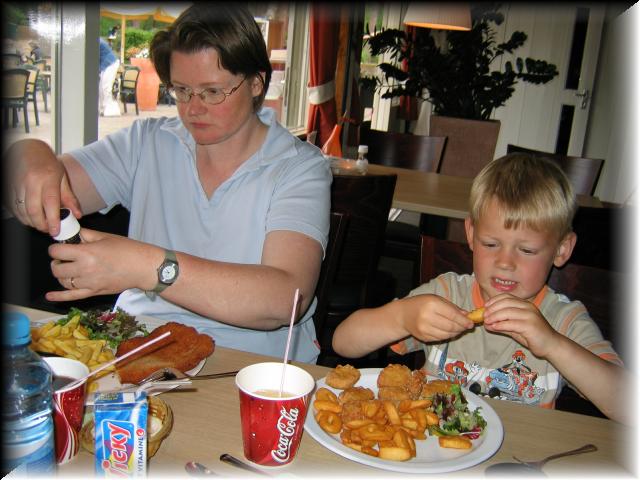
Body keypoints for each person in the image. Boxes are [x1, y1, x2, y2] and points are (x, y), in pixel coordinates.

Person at [4, 4, 331, 363]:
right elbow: (49, 191)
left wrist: (147, 267)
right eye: (182, 90)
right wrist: (29, 154)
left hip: (254, 364)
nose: (193, 109)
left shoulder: (299, 167)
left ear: (256, 82)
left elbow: (286, 300)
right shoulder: (146, 142)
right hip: (139, 347)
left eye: (212, 92)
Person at [333, 153, 630, 424]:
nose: (505, 262)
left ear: (562, 250)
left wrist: (553, 344)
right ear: (471, 233)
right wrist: (401, 317)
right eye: (491, 244)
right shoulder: (446, 294)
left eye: (526, 250)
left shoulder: (564, 320)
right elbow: (343, 342)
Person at [99, 37, 120, 117]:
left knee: (106, 87)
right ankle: (102, 108)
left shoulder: (96, 42)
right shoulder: (96, 40)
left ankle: (108, 109)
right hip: (105, 65)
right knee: (101, 87)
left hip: (110, 64)